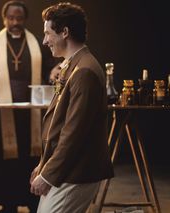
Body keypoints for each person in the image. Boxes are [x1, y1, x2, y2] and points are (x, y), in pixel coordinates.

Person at [0, 1, 58, 213]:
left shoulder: (37, 41)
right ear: (4, 18)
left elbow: (51, 68)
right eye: (11, 18)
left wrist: (54, 72)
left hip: (31, 113)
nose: (15, 22)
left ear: (25, 19)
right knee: (4, 160)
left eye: (19, 18)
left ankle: (33, 202)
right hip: (2, 112)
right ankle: (8, 204)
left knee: (31, 159)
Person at [30, 2, 114, 213]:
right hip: (66, 170)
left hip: (76, 172)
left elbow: (73, 133)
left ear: (65, 32)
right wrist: (44, 165)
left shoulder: (84, 70)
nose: (45, 40)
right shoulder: (75, 64)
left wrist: (48, 175)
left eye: (48, 33)